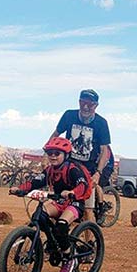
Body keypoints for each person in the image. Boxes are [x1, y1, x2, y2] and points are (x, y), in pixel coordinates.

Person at [9, 137, 92, 272]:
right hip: (58, 201)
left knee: (61, 225)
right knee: (40, 215)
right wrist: (20, 189)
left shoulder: (72, 169)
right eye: (50, 153)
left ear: (65, 155)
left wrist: (72, 192)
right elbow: (34, 182)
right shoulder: (49, 170)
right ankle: (53, 244)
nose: (53, 156)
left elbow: (82, 184)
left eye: (57, 153)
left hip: (74, 202)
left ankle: (68, 256)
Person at [49, 89, 111, 222]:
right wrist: (46, 155)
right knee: (58, 202)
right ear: (79, 102)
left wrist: (98, 173)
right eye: (83, 103)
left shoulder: (101, 123)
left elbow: (104, 150)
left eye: (90, 104)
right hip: (67, 168)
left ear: (96, 105)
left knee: (88, 209)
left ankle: (90, 241)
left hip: (87, 171)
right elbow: (56, 134)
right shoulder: (69, 116)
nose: (86, 107)